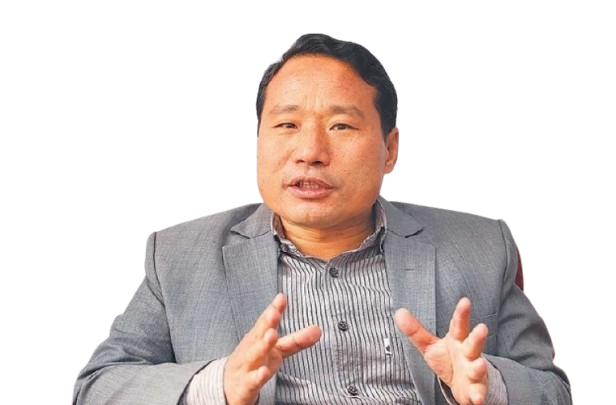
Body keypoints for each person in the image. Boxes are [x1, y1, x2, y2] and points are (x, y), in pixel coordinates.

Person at [72, 32, 572, 404]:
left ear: (390, 149)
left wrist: (490, 385)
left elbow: (551, 389)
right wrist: (218, 384)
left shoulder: (481, 244)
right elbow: (97, 387)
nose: (309, 151)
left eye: (340, 126)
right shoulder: (180, 255)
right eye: (287, 124)